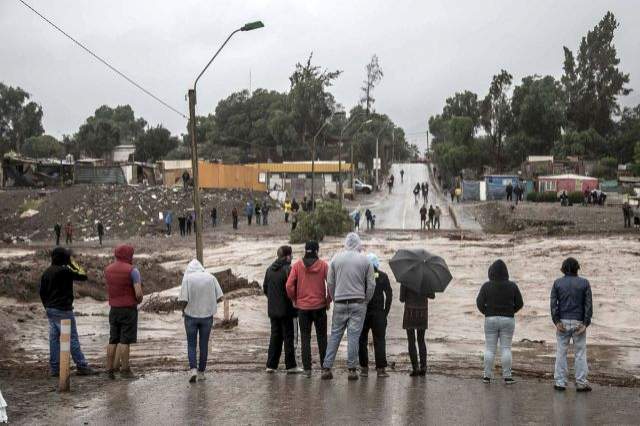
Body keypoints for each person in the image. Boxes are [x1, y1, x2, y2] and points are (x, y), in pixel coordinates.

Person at [321, 233, 375, 381]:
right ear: (358, 244)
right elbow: (371, 285)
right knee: (353, 337)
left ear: (345, 243)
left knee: (335, 335)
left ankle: (326, 368)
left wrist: (334, 297)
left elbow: (330, 282)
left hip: (339, 303)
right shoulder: (365, 260)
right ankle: (352, 370)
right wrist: (366, 300)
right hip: (358, 303)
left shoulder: (336, 259)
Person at [40, 247, 96, 377]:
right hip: (64, 310)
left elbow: (42, 292)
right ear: (64, 257)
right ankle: (81, 366)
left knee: (54, 339)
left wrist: (47, 306)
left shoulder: (46, 272)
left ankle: (55, 369)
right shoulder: (65, 271)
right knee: (72, 338)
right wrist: (72, 262)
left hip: (51, 310)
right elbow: (83, 275)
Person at [476, 260, 524, 384]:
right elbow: (520, 303)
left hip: (490, 319)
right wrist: (511, 311)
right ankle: (507, 377)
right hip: (508, 319)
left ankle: (487, 376)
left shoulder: (486, 286)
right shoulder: (512, 285)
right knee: (506, 348)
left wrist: (486, 312)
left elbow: (479, 303)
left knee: (490, 349)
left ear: (491, 272)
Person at [286, 241, 330, 377]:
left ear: (305, 250)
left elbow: (289, 285)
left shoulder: (298, 265)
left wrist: (294, 300)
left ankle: (307, 370)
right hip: (320, 307)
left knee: (305, 339)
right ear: (317, 250)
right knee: (322, 339)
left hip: (303, 308)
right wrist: (328, 300)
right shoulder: (323, 265)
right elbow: (332, 284)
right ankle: (325, 368)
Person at [550, 257, 593, 392]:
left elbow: (553, 304)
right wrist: (586, 323)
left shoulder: (557, 283)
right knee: (580, 353)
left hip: (562, 321)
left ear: (563, 269)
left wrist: (556, 321)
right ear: (577, 268)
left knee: (561, 352)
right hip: (579, 322)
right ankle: (581, 383)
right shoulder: (584, 283)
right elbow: (588, 305)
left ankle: (560, 382)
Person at [178, 259, 224, 383]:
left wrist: (183, 311)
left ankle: (193, 369)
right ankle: (201, 372)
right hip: (207, 317)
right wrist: (209, 303)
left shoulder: (187, 279)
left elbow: (183, 299)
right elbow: (220, 297)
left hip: (190, 317)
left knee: (191, 344)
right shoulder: (211, 277)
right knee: (204, 344)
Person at [105, 245, 143, 379]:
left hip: (113, 309)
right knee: (125, 340)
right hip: (128, 309)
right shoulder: (133, 271)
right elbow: (138, 292)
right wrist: (139, 300)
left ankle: (109, 369)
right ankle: (125, 370)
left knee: (113, 339)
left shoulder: (108, 269)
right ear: (129, 255)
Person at [264, 246, 300, 374]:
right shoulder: (288, 270)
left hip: (273, 311)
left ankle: (271, 365)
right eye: (291, 255)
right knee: (288, 337)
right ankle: (291, 366)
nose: (292, 257)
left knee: (275, 337)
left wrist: (273, 300)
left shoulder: (269, 270)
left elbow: (265, 289)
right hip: (287, 310)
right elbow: (293, 289)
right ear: (287, 256)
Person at [358, 253, 392, 378]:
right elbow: (389, 296)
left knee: (362, 340)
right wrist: (385, 312)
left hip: (364, 313)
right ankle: (381, 369)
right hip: (379, 314)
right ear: (377, 263)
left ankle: (364, 368)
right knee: (380, 341)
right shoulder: (383, 276)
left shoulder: (361, 277)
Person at [400, 282, 433, 376]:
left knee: (411, 341)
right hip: (422, 312)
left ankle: (415, 368)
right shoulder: (426, 278)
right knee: (421, 340)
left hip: (410, 312)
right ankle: (423, 367)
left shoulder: (406, 279)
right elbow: (432, 295)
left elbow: (402, 299)